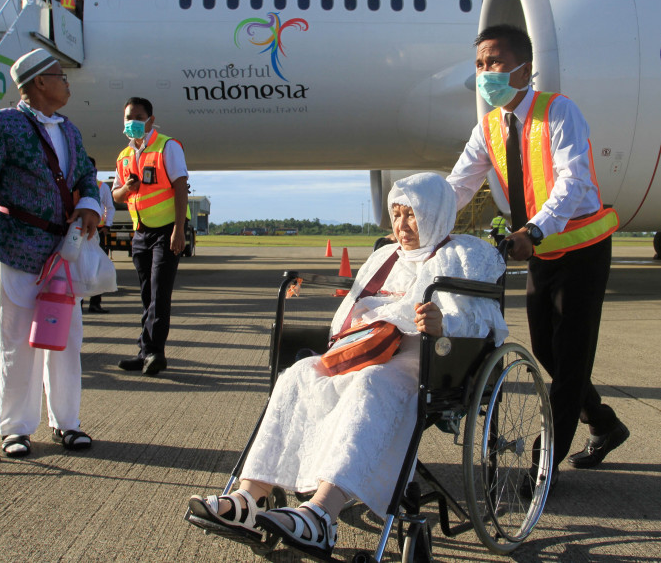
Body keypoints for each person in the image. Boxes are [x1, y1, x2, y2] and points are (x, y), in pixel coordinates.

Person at [187, 173, 507, 559]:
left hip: (421, 357)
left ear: (436, 214)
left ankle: (322, 513)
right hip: (365, 348)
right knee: (299, 374)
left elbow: (481, 319)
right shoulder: (384, 257)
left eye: (413, 215)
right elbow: (353, 308)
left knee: (371, 383)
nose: (403, 225)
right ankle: (248, 498)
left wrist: (444, 323)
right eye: (397, 214)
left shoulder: (462, 255)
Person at [447, 24, 627, 474]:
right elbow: (459, 185)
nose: (485, 73)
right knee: (547, 349)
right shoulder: (489, 127)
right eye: (480, 64)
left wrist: (533, 229)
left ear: (524, 70)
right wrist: (418, 219)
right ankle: (604, 423)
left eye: (495, 62)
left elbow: (573, 180)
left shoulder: (559, 112)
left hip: (581, 250)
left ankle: (544, 465)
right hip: (539, 252)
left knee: (570, 361)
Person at [0, 48, 101, 458]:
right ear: (40, 82)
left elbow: (86, 175)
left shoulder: (70, 130)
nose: (67, 83)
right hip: (16, 248)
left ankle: (67, 422)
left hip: (61, 254)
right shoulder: (0, 124)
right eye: (61, 76)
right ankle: (16, 429)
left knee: (66, 339)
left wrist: (89, 204)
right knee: (18, 341)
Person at [112, 97, 189, 376]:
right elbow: (116, 194)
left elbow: (181, 187)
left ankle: (155, 352)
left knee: (159, 293)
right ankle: (144, 352)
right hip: (141, 232)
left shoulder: (167, 146)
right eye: (128, 118)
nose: (131, 122)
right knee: (147, 295)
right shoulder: (124, 156)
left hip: (166, 230)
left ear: (150, 120)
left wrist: (179, 230)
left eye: (137, 117)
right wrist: (128, 189)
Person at [86, 157, 115, 314]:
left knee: (98, 268)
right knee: (79, 266)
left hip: (98, 230)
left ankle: (95, 303)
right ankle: (78, 303)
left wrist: (107, 225)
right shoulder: (74, 184)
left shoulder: (102, 187)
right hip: (80, 230)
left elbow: (109, 207)